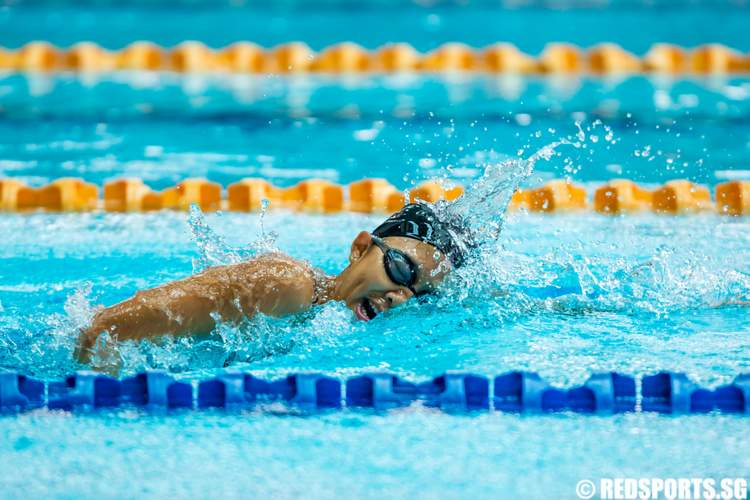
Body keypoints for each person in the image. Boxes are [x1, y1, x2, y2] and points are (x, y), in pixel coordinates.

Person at [75, 203, 472, 367]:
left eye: (421, 295)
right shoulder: (287, 285)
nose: (402, 297)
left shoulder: (326, 325)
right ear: (360, 248)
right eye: (402, 271)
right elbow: (103, 328)